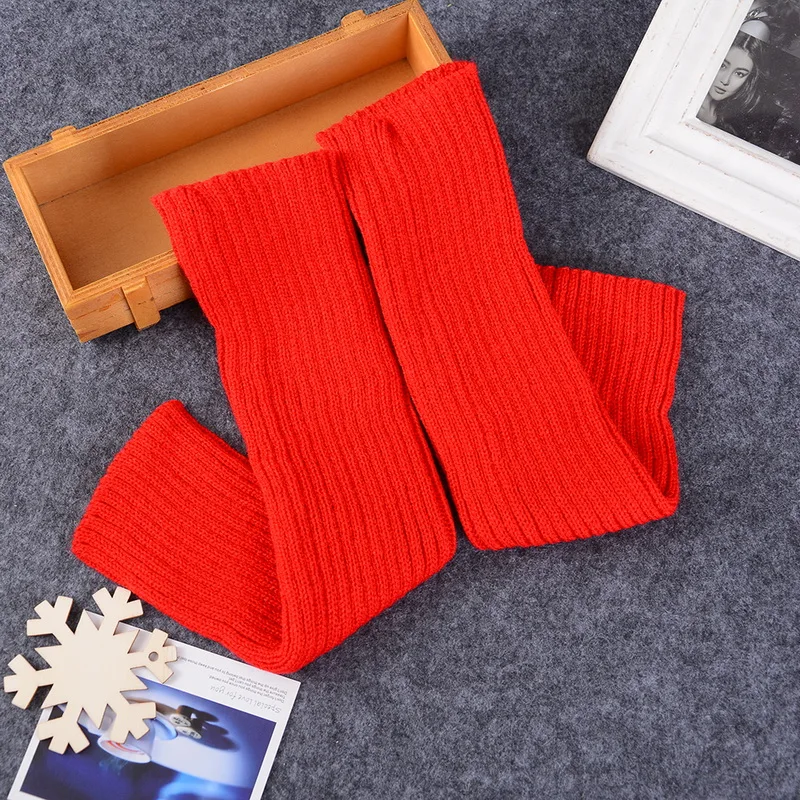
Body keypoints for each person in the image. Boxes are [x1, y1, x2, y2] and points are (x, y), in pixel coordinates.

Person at [697, 32, 766, 131]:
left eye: (739, 74)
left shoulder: (734, 121)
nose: (725, 80)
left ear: (749, 80)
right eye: (722, 66)